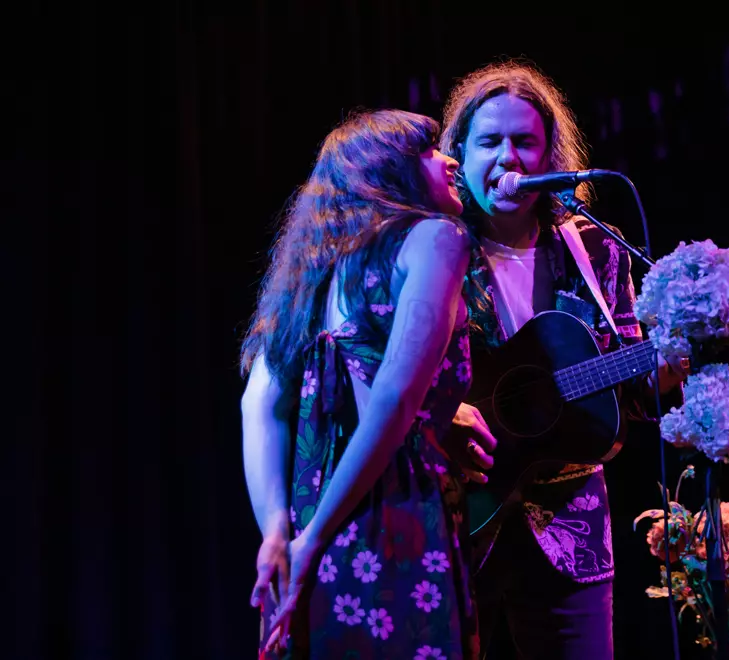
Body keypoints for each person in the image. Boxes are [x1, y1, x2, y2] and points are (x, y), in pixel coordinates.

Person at [438, 61, 686, 659]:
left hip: (570, 519)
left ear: (552, 156)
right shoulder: (433, 246)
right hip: (455, 508)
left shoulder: (594, 246)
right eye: (490, 142)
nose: (509, 159)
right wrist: (439, 416)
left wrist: (664, 372)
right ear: (460, 156)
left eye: (525, 142)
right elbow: (382, 368)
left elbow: (629, 386)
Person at [239, 108, 481, 659]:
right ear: (388, 171)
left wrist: (279, 531)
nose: (450, 161)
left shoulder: (309, 274)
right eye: (428, 151)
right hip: (393, 523)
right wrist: (317, 534)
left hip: (306, 534)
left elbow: (258, 403)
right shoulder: (437, 238)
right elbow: (395, 398)